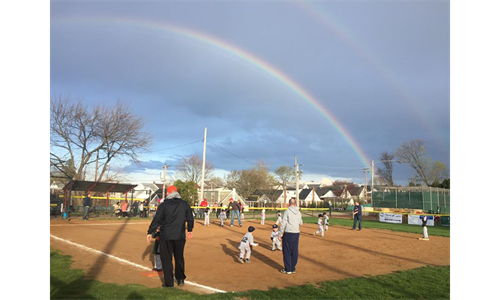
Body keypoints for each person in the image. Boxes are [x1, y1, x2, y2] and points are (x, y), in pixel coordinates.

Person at [147, 185, 194, 287]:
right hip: (179, 236)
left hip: (166, 236)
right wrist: (190, 229)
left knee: (167, 259)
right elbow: (190, 218)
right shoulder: (184, 204)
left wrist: (150, 231)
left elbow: (157, 219)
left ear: (169, 193)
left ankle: (169, 283)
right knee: (179, 257)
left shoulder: (164, 205)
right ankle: (180, 279)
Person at [279, 198, 303, 275]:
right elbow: (301, 223)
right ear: (295, 203)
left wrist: (280, 233)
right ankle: (293, 268)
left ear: (289, 204)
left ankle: (288, 269)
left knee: (287, 251)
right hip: (296, 233)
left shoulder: (287, 211)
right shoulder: (298, 212)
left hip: (288, 233)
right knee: (294, 250)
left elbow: (283, 223)